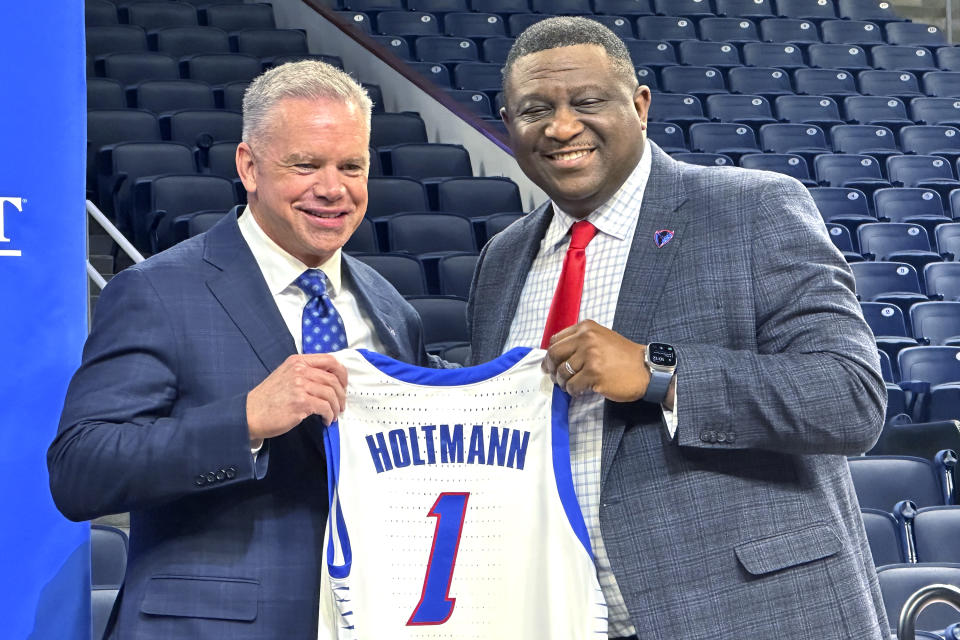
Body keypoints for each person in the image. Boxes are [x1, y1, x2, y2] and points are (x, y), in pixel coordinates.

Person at [467, 17, 890, 640]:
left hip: (756, 615)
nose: (561, 127)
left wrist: (659, 371)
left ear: (639, 106)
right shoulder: (500, 262)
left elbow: (850, 399)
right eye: (535, 109)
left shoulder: (753, 207)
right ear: (509, 122)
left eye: (587, 102)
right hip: (569, 618)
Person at [49, 60, 436, 638]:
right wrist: (245, 421)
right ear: (249, 166)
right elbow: (80, 470)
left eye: (351, 166)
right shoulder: (157, 290)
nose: (333, 189)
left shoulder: (389, 306)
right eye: (305, 165)